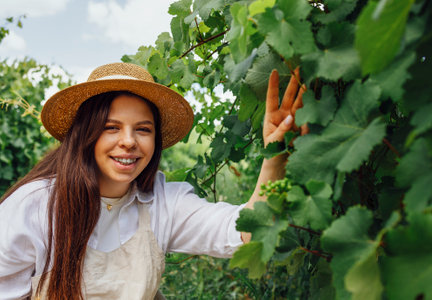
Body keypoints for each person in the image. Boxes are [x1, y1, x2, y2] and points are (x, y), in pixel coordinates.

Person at [0, 62, 306, 299]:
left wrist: (275, 155)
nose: (129, 141)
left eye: (143, 129)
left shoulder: (164, 203)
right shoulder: (34, 207)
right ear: (86, 134)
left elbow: (244, 233)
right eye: (111, 127)